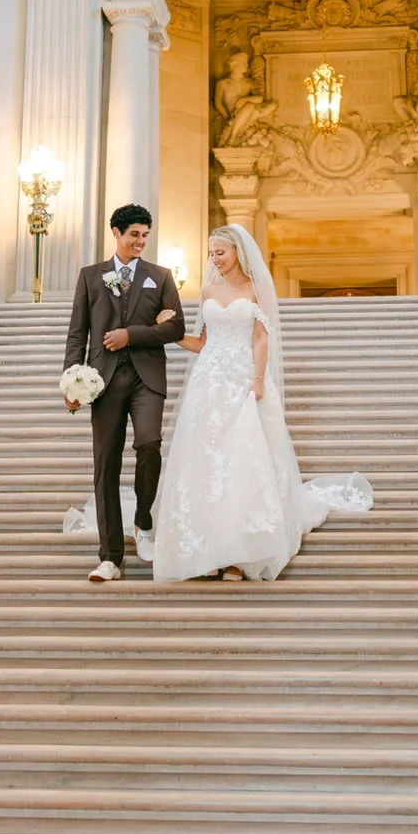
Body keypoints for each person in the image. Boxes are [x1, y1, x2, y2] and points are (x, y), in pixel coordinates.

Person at [148, 225, 372, 583]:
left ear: (237, 250)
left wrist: (257, 378)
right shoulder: (207, 290)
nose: (214, 259)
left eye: (219, 252)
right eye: (210, 253)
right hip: (208, 382)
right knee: (204, 462)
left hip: (242, 379)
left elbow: (260, 339)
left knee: (241, 461)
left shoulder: (255, 289)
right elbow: (203, 342)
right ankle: (205, 549)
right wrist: (169, 333)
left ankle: (240, 554)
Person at [60, 204, 185, 582]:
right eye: (134, 235)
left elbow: (176, 328)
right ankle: (111, 557)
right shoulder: (91, 277)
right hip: (103, 380)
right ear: (116, 232)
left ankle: (143, 518)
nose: (141, 242)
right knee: (106, 466)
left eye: (145, 236)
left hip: (147, 378)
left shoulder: (160, 277)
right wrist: (72, 382)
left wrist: (132, 334)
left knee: (149, 444)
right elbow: (77, 332)